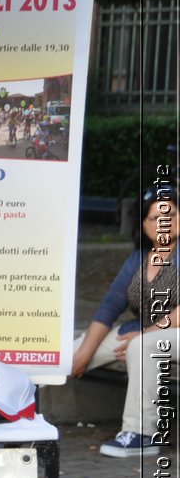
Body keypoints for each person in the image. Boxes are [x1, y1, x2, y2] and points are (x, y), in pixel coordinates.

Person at [70, 182, 176, 457]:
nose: (164, 222)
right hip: (143, 332)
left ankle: (141, 434)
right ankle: (11, 411)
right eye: (155, 217)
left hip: (162, 334)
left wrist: (147, 332)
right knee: (71, 352)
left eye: (171, 215)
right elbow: (109, 306)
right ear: (143, 225)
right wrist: (84, 353)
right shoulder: (138, 259)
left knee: (143, 345)